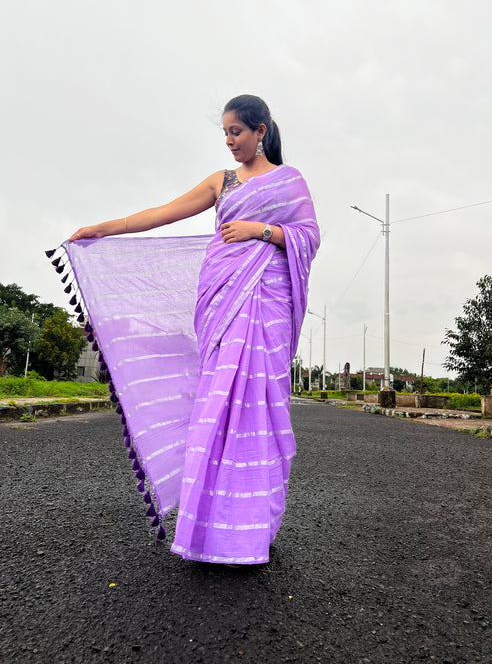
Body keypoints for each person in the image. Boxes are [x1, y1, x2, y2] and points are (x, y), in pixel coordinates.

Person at [66, 94, 320, 565]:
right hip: (222, 300)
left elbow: (309, 235)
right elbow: (161, 213)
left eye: (236, 132)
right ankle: (210, 528)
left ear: (261, 130)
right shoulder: (219, 183)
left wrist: (259, 231)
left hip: (268, 303)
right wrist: (102, 228)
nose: (229, 141)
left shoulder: (290, 182)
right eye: (224, 133)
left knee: (259, 408)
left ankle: (251, 528)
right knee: (219, 404)